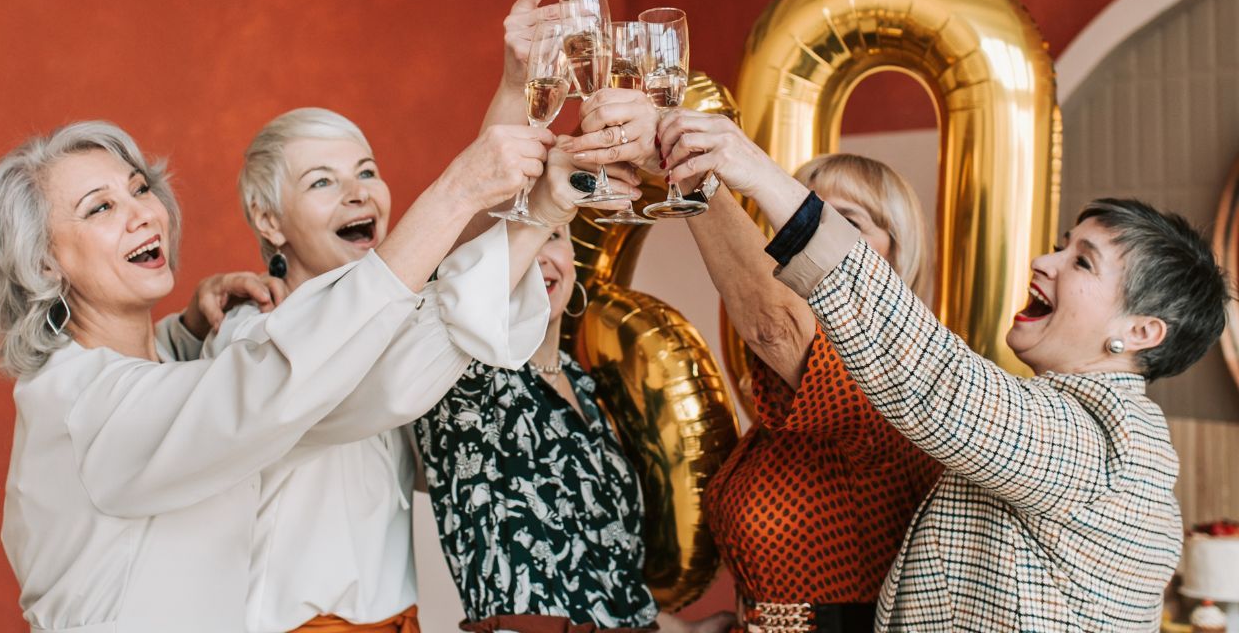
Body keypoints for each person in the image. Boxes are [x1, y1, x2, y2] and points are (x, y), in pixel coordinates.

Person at [654, 109, 1230, 632]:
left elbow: (935, 381)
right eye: (1061, 245)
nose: (1043, 260)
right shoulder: (1073, 420)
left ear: (1141, 332)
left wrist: (743, 165)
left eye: (1081, 261)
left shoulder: (1103, 442)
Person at [0, 117, 551, 633]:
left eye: (138, 188)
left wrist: (191, 328)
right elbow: (274, 383)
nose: (142, 213)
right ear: (42, 262)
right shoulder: (89, 408)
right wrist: (459, 195)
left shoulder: (160, 363)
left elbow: (185, 391)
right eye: (99, 208)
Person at [207, 105, 620, 633]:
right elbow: (397, 377)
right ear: (268, 219)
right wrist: (542, 211)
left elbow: (459, 249)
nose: (357, 193)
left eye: (365, 171)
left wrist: (517, 83)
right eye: (322, 182)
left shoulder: (389, 323)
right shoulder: (255, 335)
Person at [414, 217, 732, 633]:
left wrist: (686, 631)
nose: (538, 258)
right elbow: (448, 282)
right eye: (517, 242)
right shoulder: (468, 382)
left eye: (553, 236)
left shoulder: (580, 380)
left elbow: (607, 581)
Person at [685, 153, 942, 633]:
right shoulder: (782, 402)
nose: (803, 240)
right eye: (797, 218)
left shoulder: (889, 381)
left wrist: (691, 176)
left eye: (845, 223)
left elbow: (775, 330)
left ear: (893, 258)